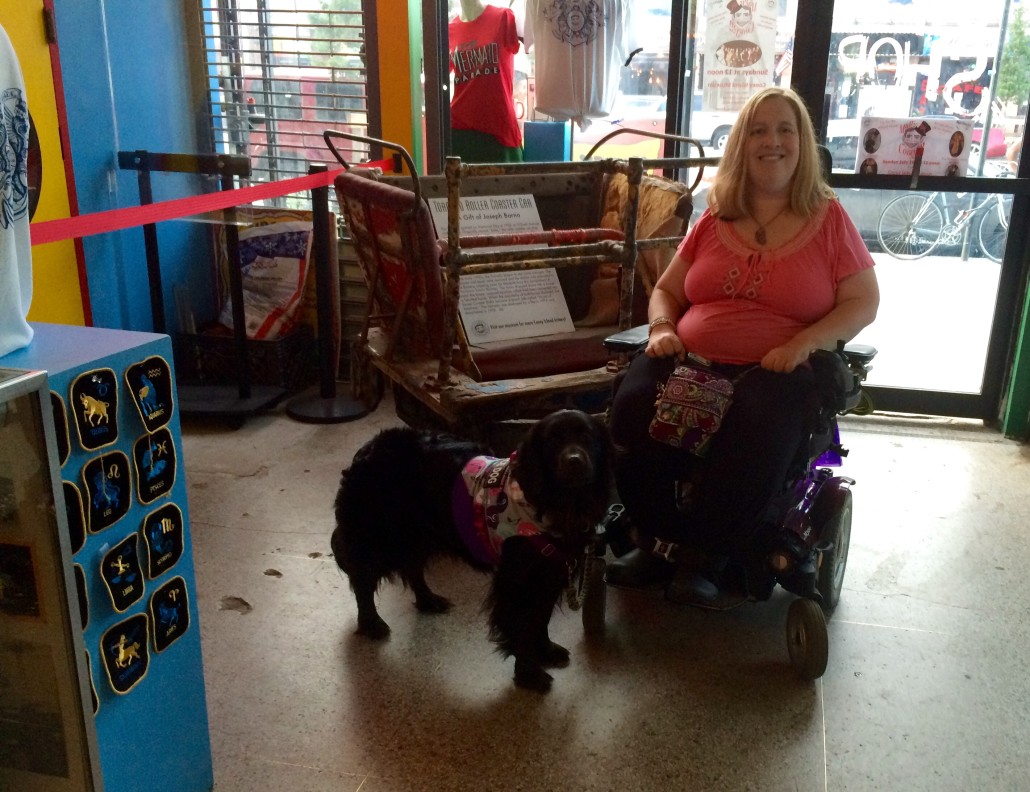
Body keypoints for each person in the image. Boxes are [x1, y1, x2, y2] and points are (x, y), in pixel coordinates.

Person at [604, 86, 879, 603]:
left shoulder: (827, 218)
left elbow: (862, 301)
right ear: (740, 145)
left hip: (774, 370)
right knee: (633, 406)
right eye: (758, 130)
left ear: (802, 144)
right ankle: (656, 539)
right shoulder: (715, 216)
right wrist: (663, 328)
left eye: (785, 130)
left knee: (756, 425)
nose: (771, 141)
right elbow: (666, 289)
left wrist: (805, 343)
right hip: (691, 358)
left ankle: (708, 554)